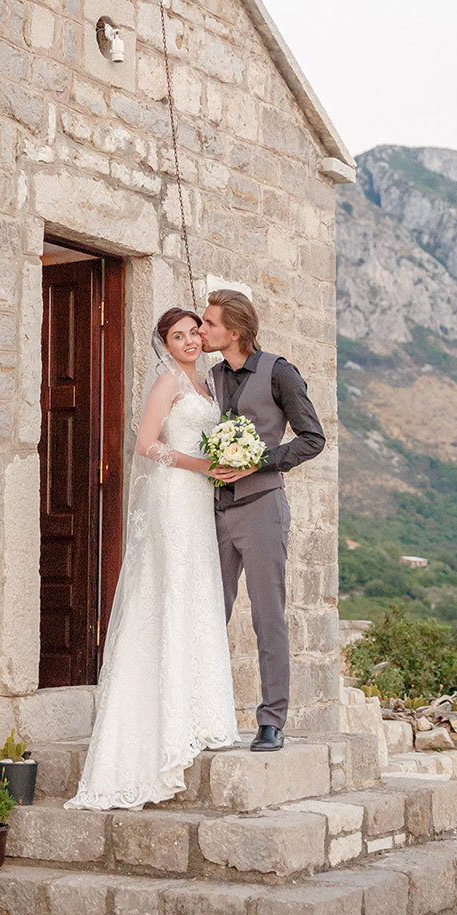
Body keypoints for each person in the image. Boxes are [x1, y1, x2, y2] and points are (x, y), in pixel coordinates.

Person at [66, 307, 240, 811]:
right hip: (173, 496)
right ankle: (164, 719)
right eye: (178, 336)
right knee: (172, 590)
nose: (189, 341)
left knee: (197, 591)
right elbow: (145, 445)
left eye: (194, 333)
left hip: (198, 499)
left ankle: (199, 711)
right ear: (165, 344)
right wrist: (199, 464)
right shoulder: (168, 382)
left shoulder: (208, 385)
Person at [201, 289, 326, 752]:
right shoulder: (211, 377)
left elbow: (313, 438)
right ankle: (204, 713)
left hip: (262, 509)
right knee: (208, 612)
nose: (202, 330)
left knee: (267, 615)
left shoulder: (280, 372)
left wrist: (259, 461)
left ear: (234, 332)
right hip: (213, 510)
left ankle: (272, 720)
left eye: (209, 324)